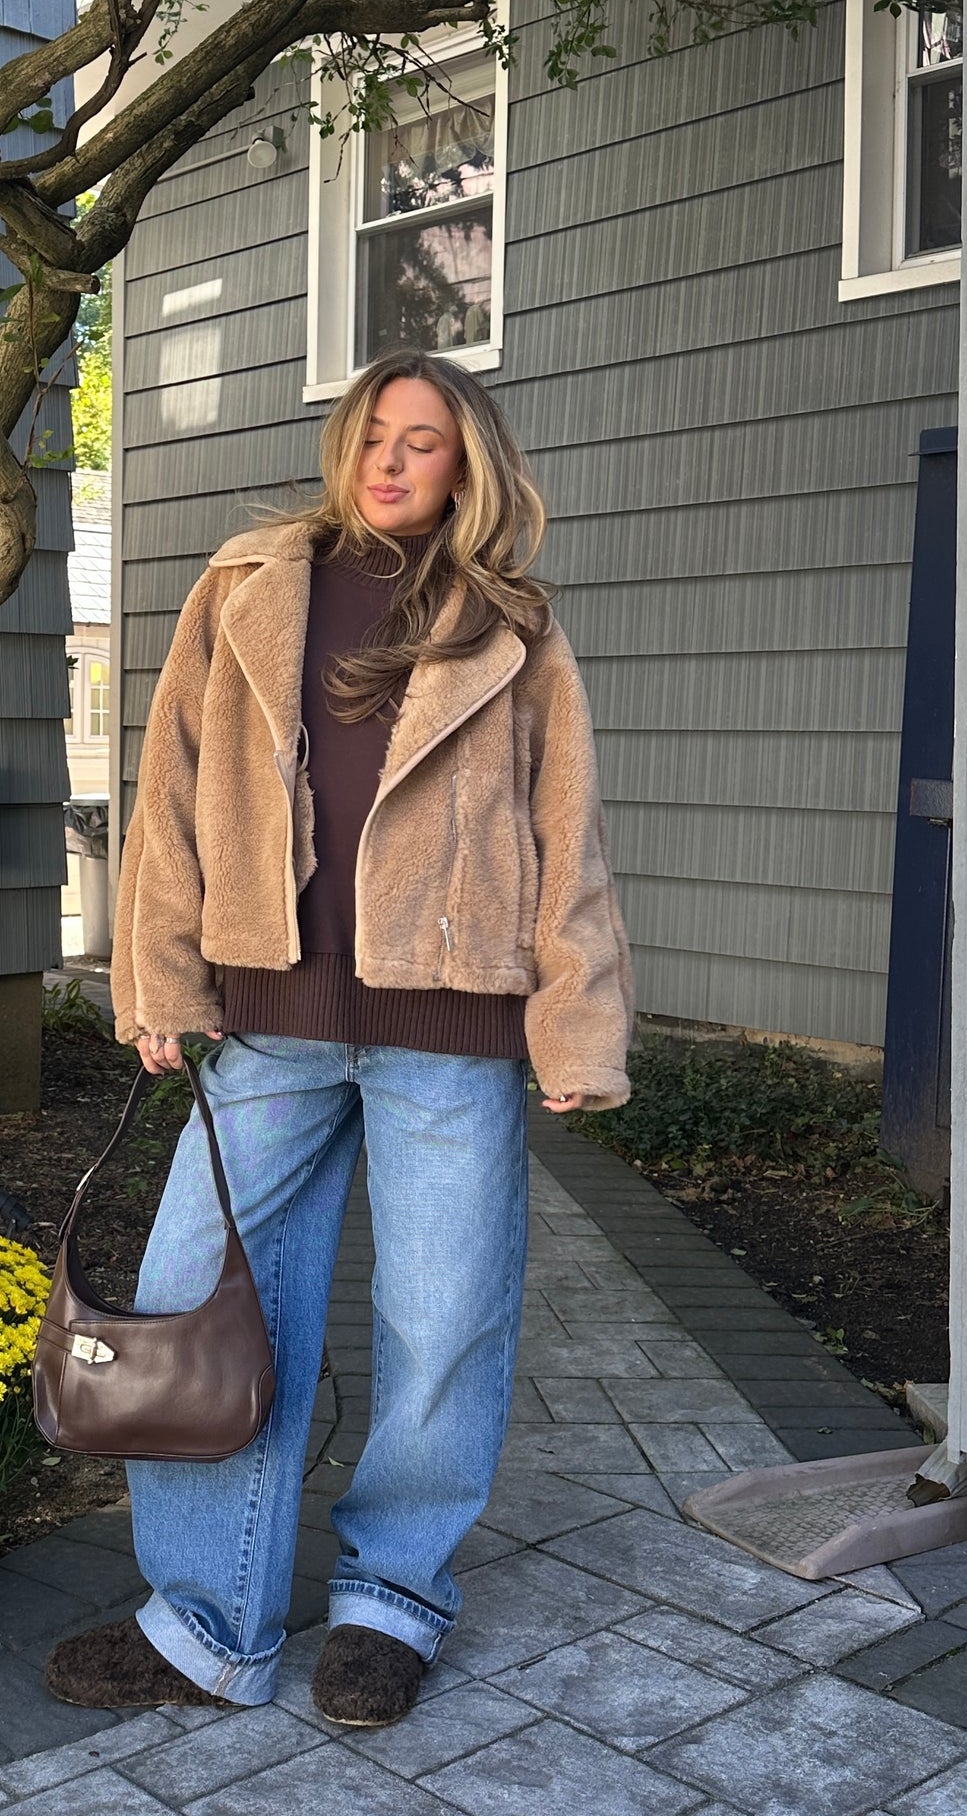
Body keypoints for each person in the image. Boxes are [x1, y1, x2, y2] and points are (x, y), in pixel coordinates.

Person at [46, 348, 633, 1729]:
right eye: (373, 434)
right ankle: (205, 1623)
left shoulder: (513, 626)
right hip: (270, 1020)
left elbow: (567, 831)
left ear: (467, 463)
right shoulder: (247, 585)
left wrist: (575, 1026)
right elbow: (170, 788)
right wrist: (160, 978)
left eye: (422, 440)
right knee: (196, 1301)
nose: (390, 460)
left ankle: (393, 1601)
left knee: (444, 1320)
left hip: (452, 1027)